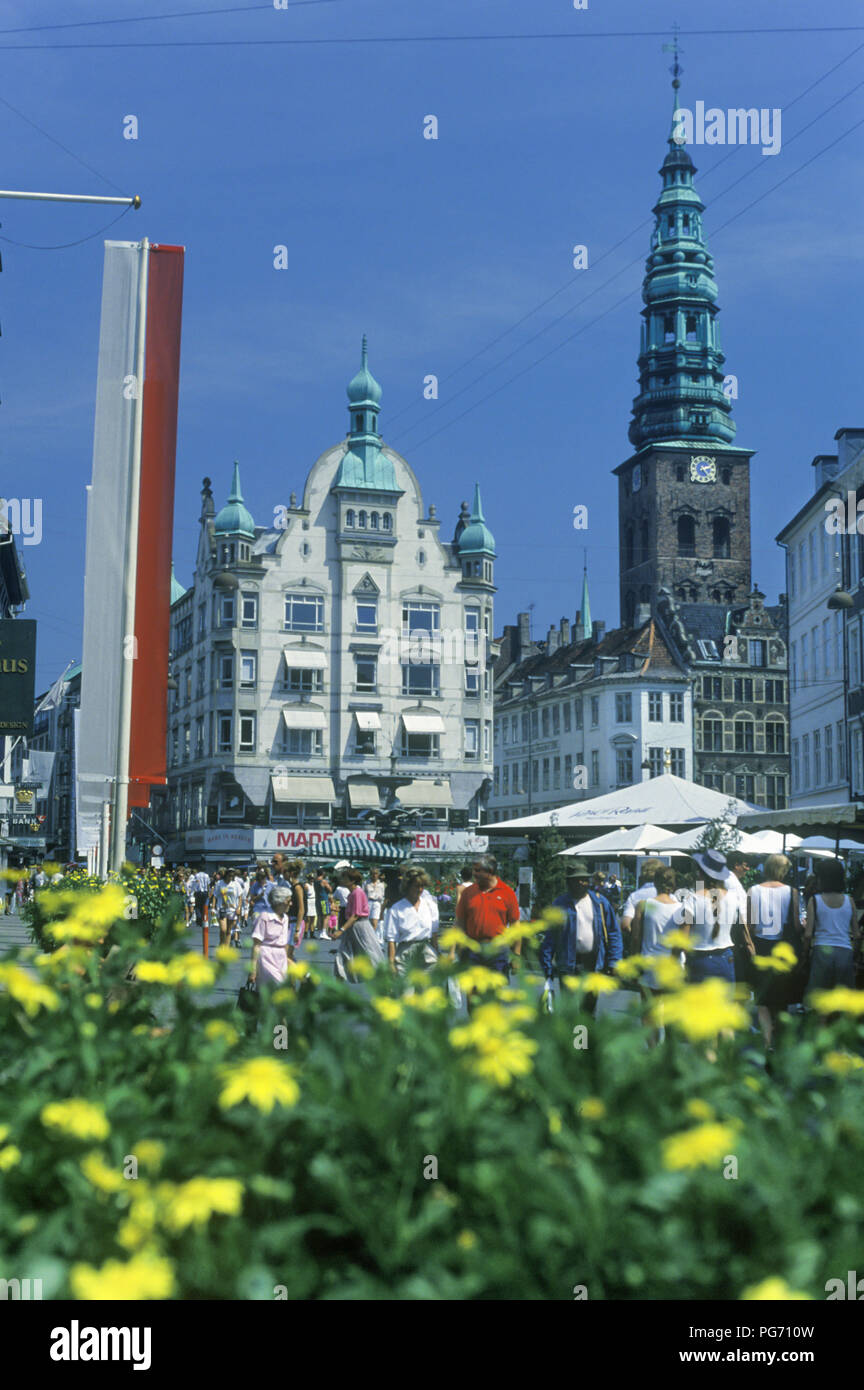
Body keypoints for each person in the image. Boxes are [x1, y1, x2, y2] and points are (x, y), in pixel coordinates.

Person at [540, 862, 623, 1001]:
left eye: (584, 880)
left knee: (588, 1010)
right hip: (568, 965)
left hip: (592, 963)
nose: (581, 883)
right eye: (576, 880)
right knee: (569, 1009)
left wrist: (614, 962)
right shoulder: (560, 904)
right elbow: (550, 938)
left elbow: (613, 933)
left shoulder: (600, 902)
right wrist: (547, 966)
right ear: (568, 882)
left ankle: (584, 1025)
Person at [747, 854, 800, 1049]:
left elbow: (750, 924)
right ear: (783, 871)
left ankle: (767, 1040)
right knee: (781, 996)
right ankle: (781, 1038)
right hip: (783, 947)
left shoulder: (753, 890)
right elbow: (795, 923)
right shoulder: (791, 891)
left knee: (763, 998)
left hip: (760, 945)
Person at [454, 854, 521, 983]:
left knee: (494, 996)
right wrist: (460, 949)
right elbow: (460, 921)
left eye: (478, 870)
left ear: (490, 871)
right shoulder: (468, 893)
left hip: (498, 950)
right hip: (472, 949)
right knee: (472, 994)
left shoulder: (507, 893)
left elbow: (515, 925)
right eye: (474, 870)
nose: (474, 874)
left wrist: (516, 955)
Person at [681, 849, 740, 984]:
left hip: (700, 960)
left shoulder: (693, 899)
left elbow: (683, 941)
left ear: (701, 873)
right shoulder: (732, 898)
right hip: (726, 958)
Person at [804, 858, 859, 994]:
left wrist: (804, 955)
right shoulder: (849, 900)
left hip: (821, 951)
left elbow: (808, 934)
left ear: (822, 878)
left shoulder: (815, 900)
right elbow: (857, 935)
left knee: (820, 1002)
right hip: (845, 953)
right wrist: (855, 958)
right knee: (842, 1001)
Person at [331, 868, 384, 981]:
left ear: (352, 880)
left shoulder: (357, 893)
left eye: (345, 877)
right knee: (343, 952)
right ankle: (339, 980)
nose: (342, 879)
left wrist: (341, 930)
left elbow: (355, 915)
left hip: (361, 927)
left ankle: (383, 980)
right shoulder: (351, 894)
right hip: (351, 927)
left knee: (370, 953)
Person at [384, 869, 440, 975]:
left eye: (422, 886)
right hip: (405, 952)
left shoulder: (430, 905)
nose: (420, 889)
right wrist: (391, 964)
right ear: (407, 886)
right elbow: (391, 940)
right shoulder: (396, 909)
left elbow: (434, 934)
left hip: (426, 951)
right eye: (416, 886)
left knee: (428, 989)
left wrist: (437, 952)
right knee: (405, 990)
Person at [250, 885, 291, 1000]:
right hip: (266, 958)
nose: (291, 904)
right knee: (278, 990)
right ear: (280, 902)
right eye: (289, 901)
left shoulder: (285, 918)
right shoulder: (264, 917)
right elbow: (256, 945)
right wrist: (253, 970)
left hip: (281, 958)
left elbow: (285, 944)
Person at [620, 859, 665, 938]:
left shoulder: (634, 896)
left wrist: (636, 937)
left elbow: (625, 925)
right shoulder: (670, 897)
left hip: (642, 946)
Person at [187, 864, 211, 953]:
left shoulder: (196, 875)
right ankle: (203, 918)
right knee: (203, 906)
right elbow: (208, 884)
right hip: (204, 892)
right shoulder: (207, 875)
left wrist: (193, 891)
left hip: (198, 892)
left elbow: (194, 884)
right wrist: (208, 892)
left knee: (197, 906)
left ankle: (199, 917)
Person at [365, 867, 386, 945]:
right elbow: (363, 894)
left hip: (377, 903)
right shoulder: (366, 883)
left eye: (376, 874)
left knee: (375, 922)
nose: (374, 875)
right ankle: (367, 938)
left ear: (378, 875)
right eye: (372, 874)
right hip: (368, 902)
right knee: (367, 922)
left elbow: (383, 895)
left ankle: (371, 940)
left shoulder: (381, 884)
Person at [304, 873, 318, 939]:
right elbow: (305, 894)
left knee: (313, 918)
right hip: (309, 901)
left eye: (313, 879)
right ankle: (305, 933)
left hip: (314, 901)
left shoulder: (314, 885)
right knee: (308, 919)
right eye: (311, 879)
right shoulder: (306, 885)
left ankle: (312, 933)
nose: (312, 880)